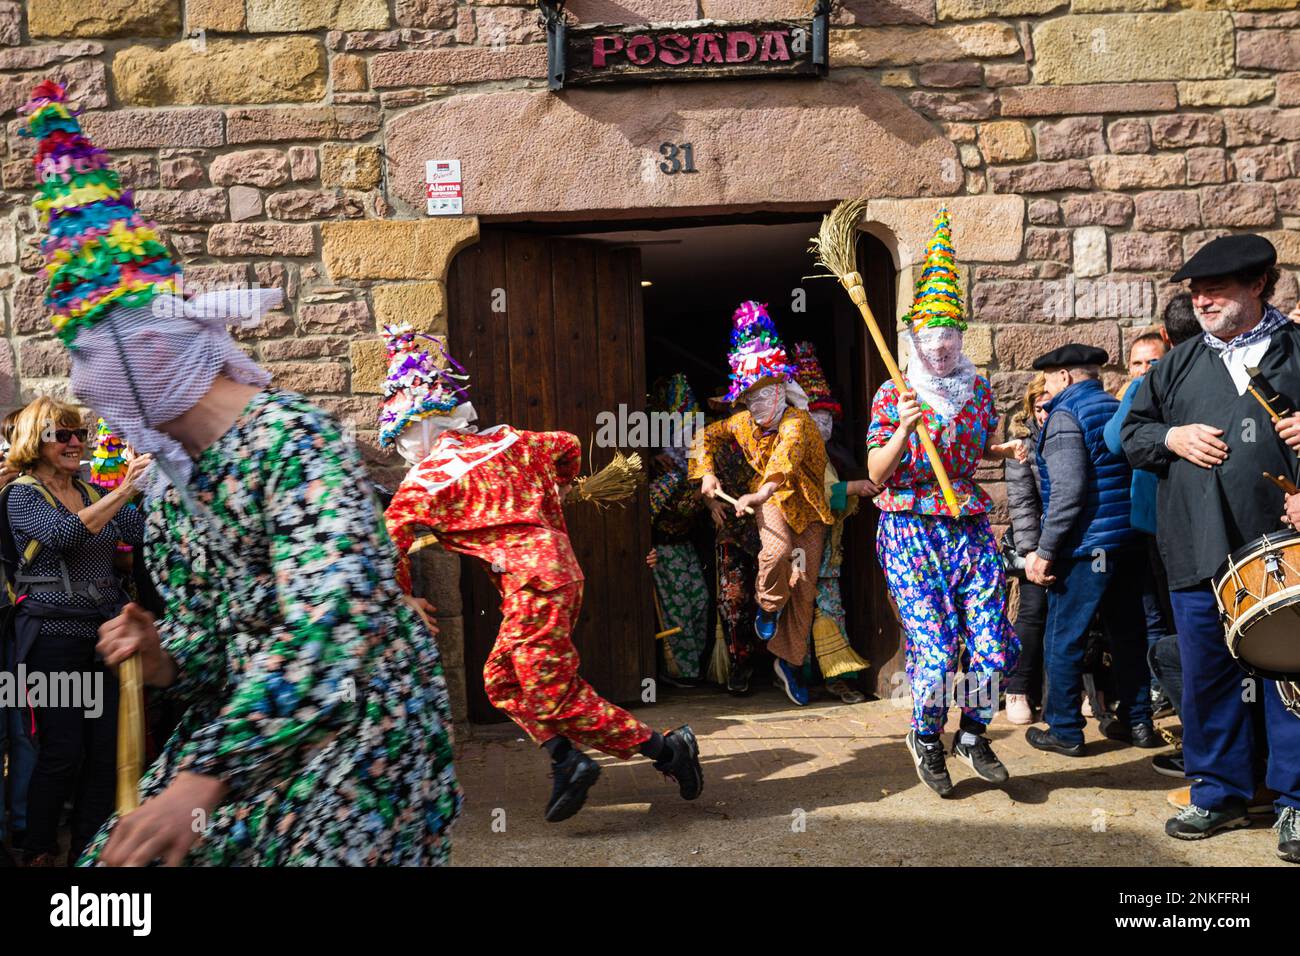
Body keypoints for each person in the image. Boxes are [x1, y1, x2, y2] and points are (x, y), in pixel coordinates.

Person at [22, 80, 461, 866]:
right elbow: (224, 641)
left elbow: (330, 638)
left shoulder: (296, 445)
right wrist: (164, 654)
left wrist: (198, 782)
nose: (85, 386)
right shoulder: (167, 486)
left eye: (89, 355)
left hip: (353, 748)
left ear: (147, 344)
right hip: (245, 743)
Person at [380, 324, 703, 823]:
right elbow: (568, 444)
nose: (402, 447)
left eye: (400, 436)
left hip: (534, 585)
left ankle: (667, 749)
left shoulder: (423, 482)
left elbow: (388, 542)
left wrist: (403, 597)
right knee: (501, 681)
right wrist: (557, 490)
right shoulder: (512, 440)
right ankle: (565, 759)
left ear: (413, 430)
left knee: (552, 692)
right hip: (553, 576)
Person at [1123, 233, 1300, 863]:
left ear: (1258, 285)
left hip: (1284, 550)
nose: (1202, 300)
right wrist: (1171, 436)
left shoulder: (1297, 350)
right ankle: (1220, 792)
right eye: (1195, 291)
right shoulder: (1178, 363)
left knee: (1291, 676)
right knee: (1208, 677)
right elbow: (1130, 435)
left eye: (1216, 288)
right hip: (1196, 545)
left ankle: (1296, 804)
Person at [866, 209, 1025, 796]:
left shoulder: (977, 388)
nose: (938, 349)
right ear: (913, 339)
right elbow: (876, 474)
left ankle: (974, 733)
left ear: (961, 336)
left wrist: (1002, 448)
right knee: (934, 650)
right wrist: (904, 429)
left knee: (990, 642)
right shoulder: (895, 391)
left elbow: (972, 448)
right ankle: (927, 737)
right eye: (928, 338)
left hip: (968, 523)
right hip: (910, 527)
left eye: (948, 337)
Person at [0, 398, 150, 865]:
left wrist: (163, 483)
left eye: (78, 434)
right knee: (63, 751)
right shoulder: (21, 494)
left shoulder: (88, 492)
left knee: (105, 753)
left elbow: (144, 531)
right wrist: (125, 489)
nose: (75, 442)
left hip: (101, 636)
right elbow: (65, 535)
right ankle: (40, 847)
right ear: (34, 441)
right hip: (52, 639)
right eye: (61, 434)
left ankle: (88, 850)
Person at [690, 301, 831, 707]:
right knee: (776, 552)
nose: (754, 404)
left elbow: (785, 458)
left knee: (803, 585)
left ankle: (788, 661)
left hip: (805, 507)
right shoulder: (742, 422)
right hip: (770, 503)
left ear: (780, 389)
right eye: (748, 396)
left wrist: (759, 492)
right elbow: (705, 437)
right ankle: (767, 608)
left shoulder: (798, 422)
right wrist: (706, 474)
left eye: (761, 394)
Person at [1024, 344, 1157, 757]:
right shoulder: (1114, 407)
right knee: (1128, 634)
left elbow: (1067, 492)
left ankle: (1064, 729)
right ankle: (1138, 723)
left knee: (1063, 637)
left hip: (1087, 547)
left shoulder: (1065, 415)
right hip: (1126, 542)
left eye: (1048, 378)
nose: (1045, 387)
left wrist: (1045, 550)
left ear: (1065, 376)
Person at [1105, 295, 1202, 776]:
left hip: (1189, 526)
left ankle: (1200, 740)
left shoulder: (1182, 381)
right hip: (1151, 524)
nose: (1146, 370)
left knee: (1187, 631)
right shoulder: (1141, 393)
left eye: (1152, 362)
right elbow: (1116, 441)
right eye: (1137, 364)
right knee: (1165, 623)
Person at [791, 341, 876, 704]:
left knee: (829, 608)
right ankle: (798, 673)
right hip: (799, 548)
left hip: (828, 552)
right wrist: (854, 487)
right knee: (799, 607)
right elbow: (811, 494)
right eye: (816, 419)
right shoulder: (792, 451)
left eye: (828, 420)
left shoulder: (834, 453)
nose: (823, 426)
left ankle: (835, 674)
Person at [645, 374, 710, 683]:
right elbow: (642, 517)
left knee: (700, 602)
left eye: (695, 432)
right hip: (666, 553)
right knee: (679, 611)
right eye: (683, 433)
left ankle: (694, 668)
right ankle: (682, 672)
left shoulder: (703, 472)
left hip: (686, 548)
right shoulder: (666, 478)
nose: (690, 441)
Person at [701, 392, 765, 695]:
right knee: (733, 598)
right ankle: (741, 662)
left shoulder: (768, 434)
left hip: (766, 522)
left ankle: (780, 662)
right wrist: (709, 503)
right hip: (730, 527)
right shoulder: (713, 439)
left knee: (770, 593)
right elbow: (701, 477)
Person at [1003, 374, 1050, 724]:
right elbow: (1021, 504)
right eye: (1038, 407)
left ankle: (1079, 689)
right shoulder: (1022, 445)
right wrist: (1032, 552)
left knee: (1079, 618)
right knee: (1032, 612)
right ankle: (1018, 688)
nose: (1044, 413)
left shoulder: (1072, 431)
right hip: (1037, 542)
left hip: (1074, 541)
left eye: (1049, 405)